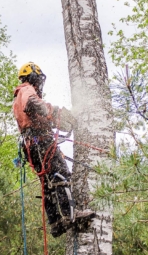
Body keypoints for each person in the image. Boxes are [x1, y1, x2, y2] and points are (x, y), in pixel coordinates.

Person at [13, 62, 95, 237]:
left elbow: (36, 115)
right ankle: (71, 215)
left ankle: (56, 222)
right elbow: (33, 104)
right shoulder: (26, 90)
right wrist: (53, 110)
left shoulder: (19, 95)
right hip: (41, 143)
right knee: (61, 174)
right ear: (33, 76)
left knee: (48, 185)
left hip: (32, 146)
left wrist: (55, 118)